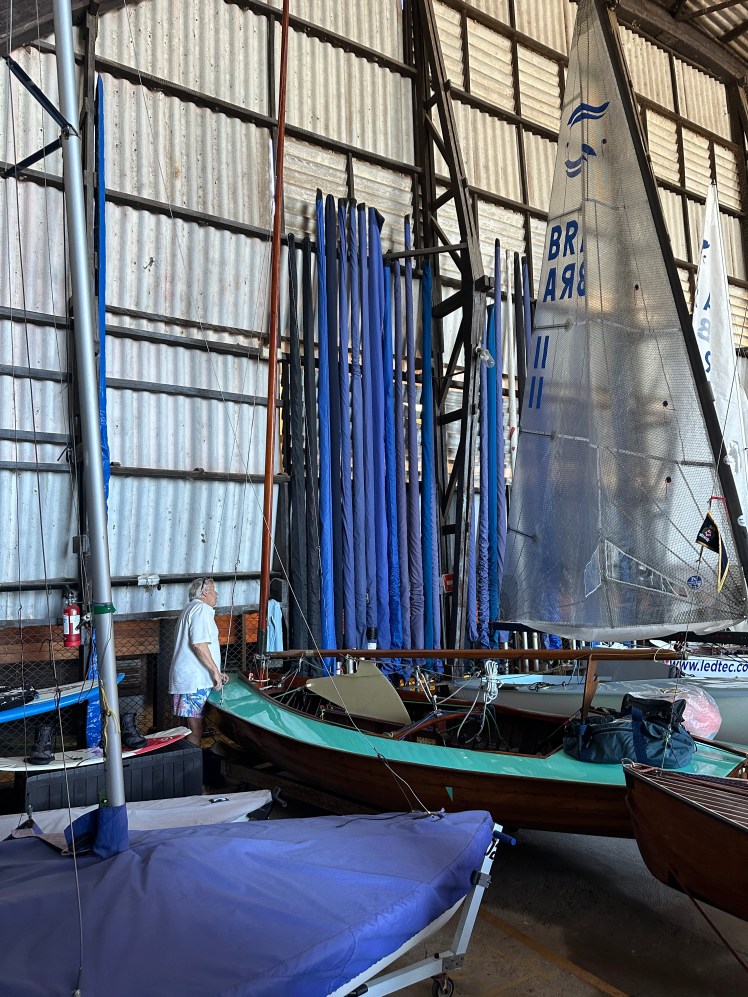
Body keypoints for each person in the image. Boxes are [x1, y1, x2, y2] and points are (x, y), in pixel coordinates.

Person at [169, 577, 229, 746]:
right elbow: (199, 644)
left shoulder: (191, 608)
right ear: (205, 593)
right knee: (195, 730)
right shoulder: (201, 609)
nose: (216, 594)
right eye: (214, 590)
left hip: (191, 680)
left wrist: (216, 671)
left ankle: (189, 758)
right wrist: (215, 672)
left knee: (193, 728)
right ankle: (192, 762)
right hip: (193, 682)